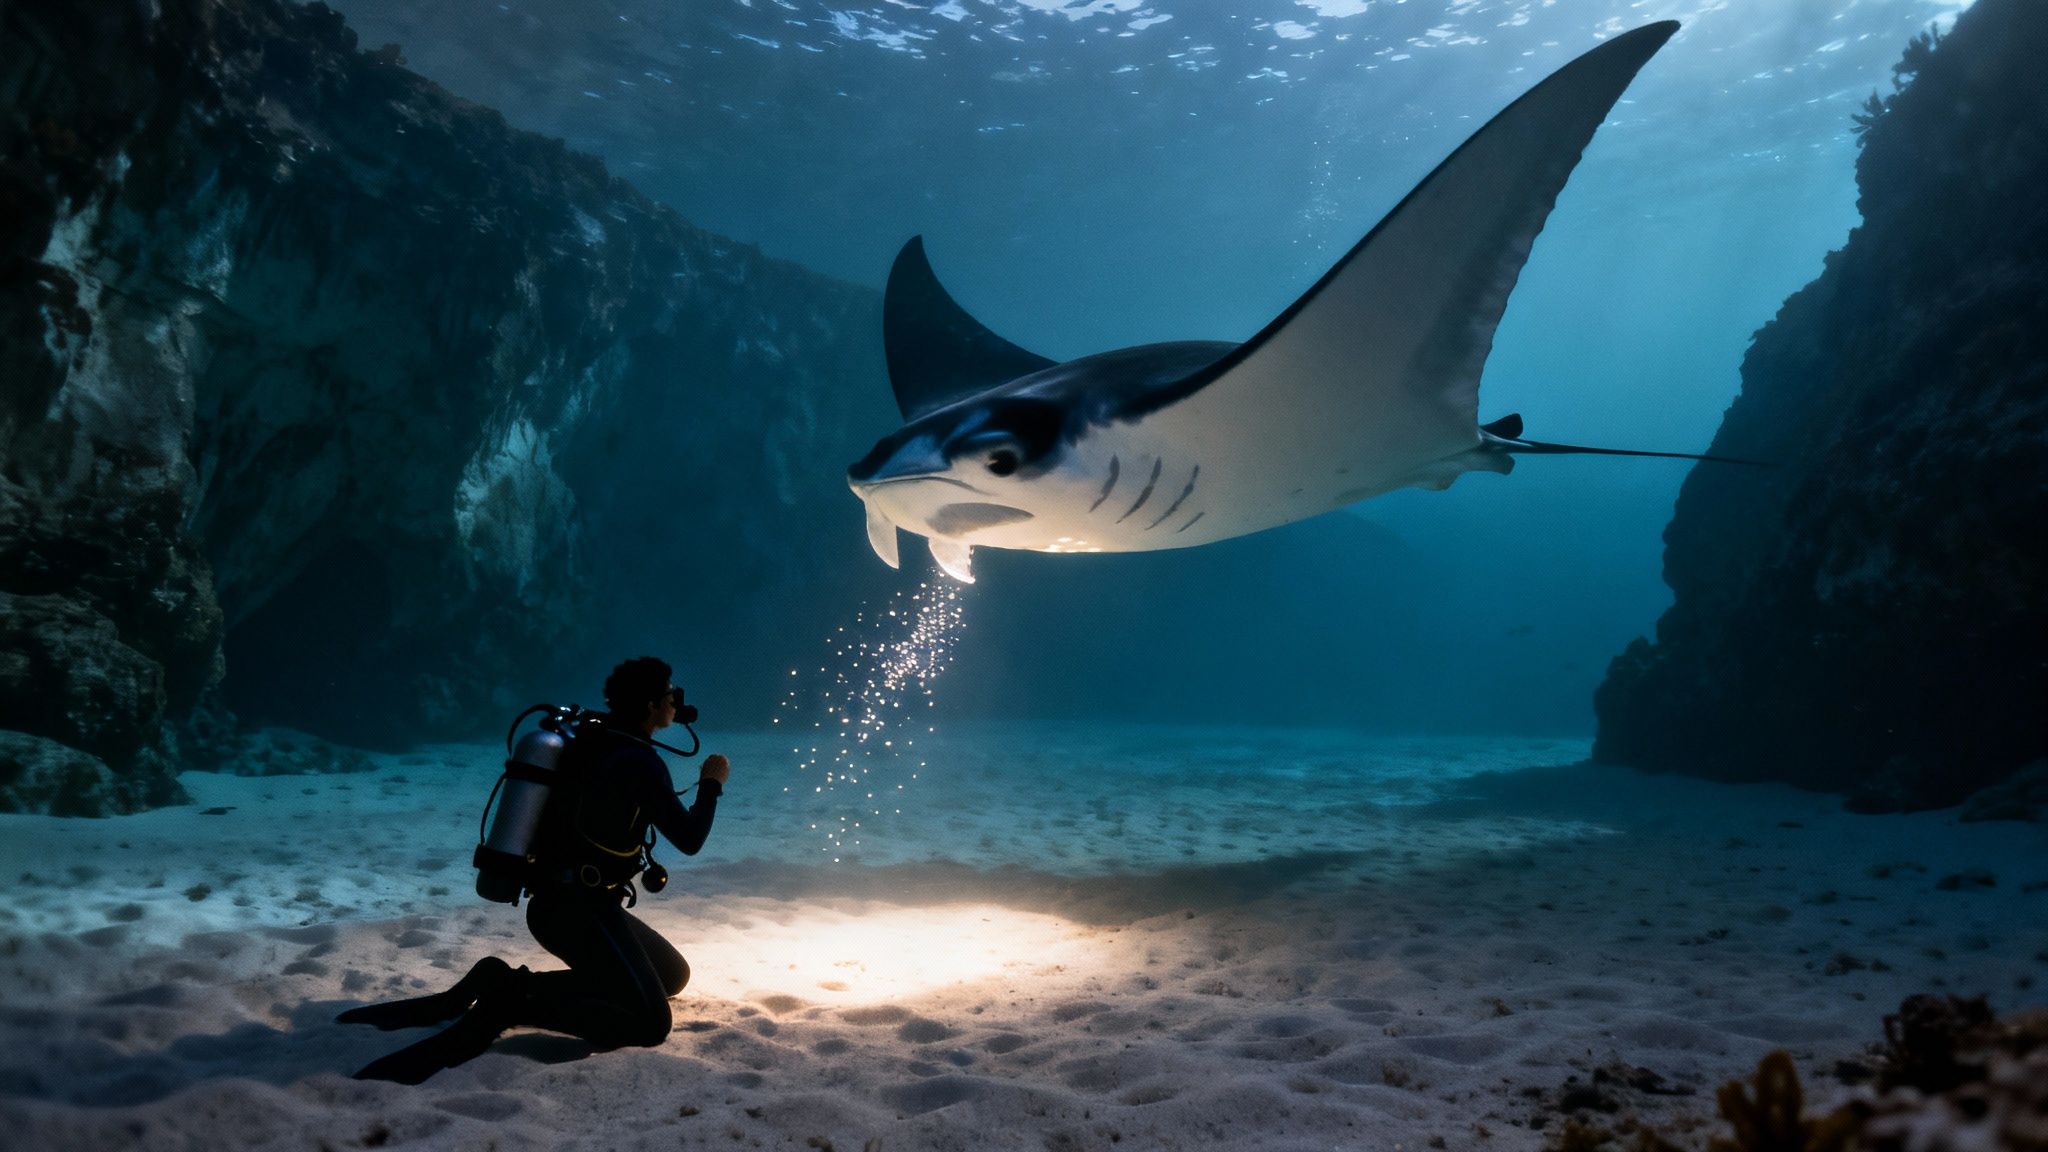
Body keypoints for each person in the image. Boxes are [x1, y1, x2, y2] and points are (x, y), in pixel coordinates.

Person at [339, 657, 730, 1084]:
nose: (677, 700)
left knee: (672, 976)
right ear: (653, 704)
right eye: (672, 692)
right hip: (577, 911)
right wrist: (711, 784)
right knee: (652, 1024)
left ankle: (495, 979)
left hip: (570, 903)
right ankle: (512, 997)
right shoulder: (637, 760)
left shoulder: (595, 738)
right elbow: (689, 839)